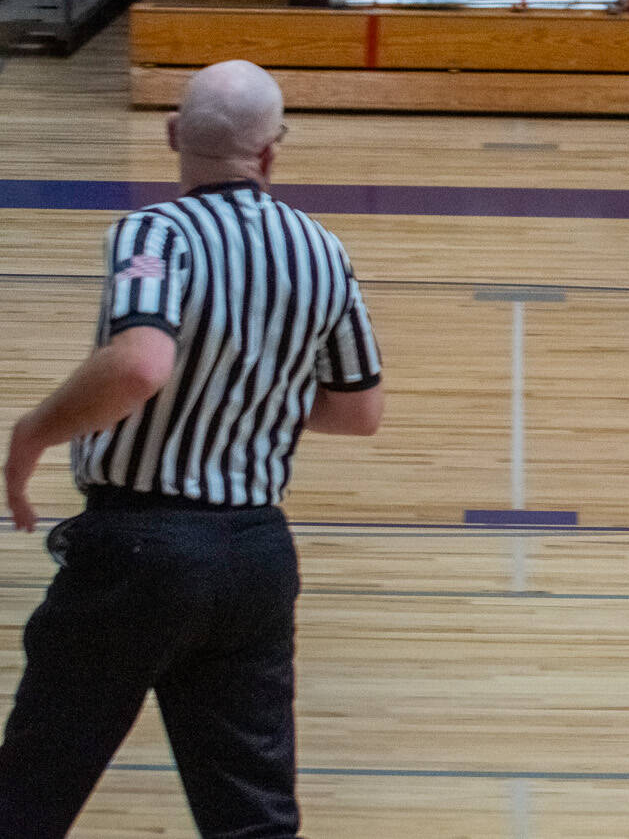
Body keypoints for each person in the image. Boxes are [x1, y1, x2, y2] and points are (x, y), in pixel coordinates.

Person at [0, 61, 384, 837]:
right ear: (271, 151)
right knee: (252, 817)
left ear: (174, 133)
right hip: (256, 556)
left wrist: (32, 431)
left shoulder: (154, 231)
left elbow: (142, 364)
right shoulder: (323, 250)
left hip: (138, 550)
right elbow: (358, 409)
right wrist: (252, 386)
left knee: (30, 795)